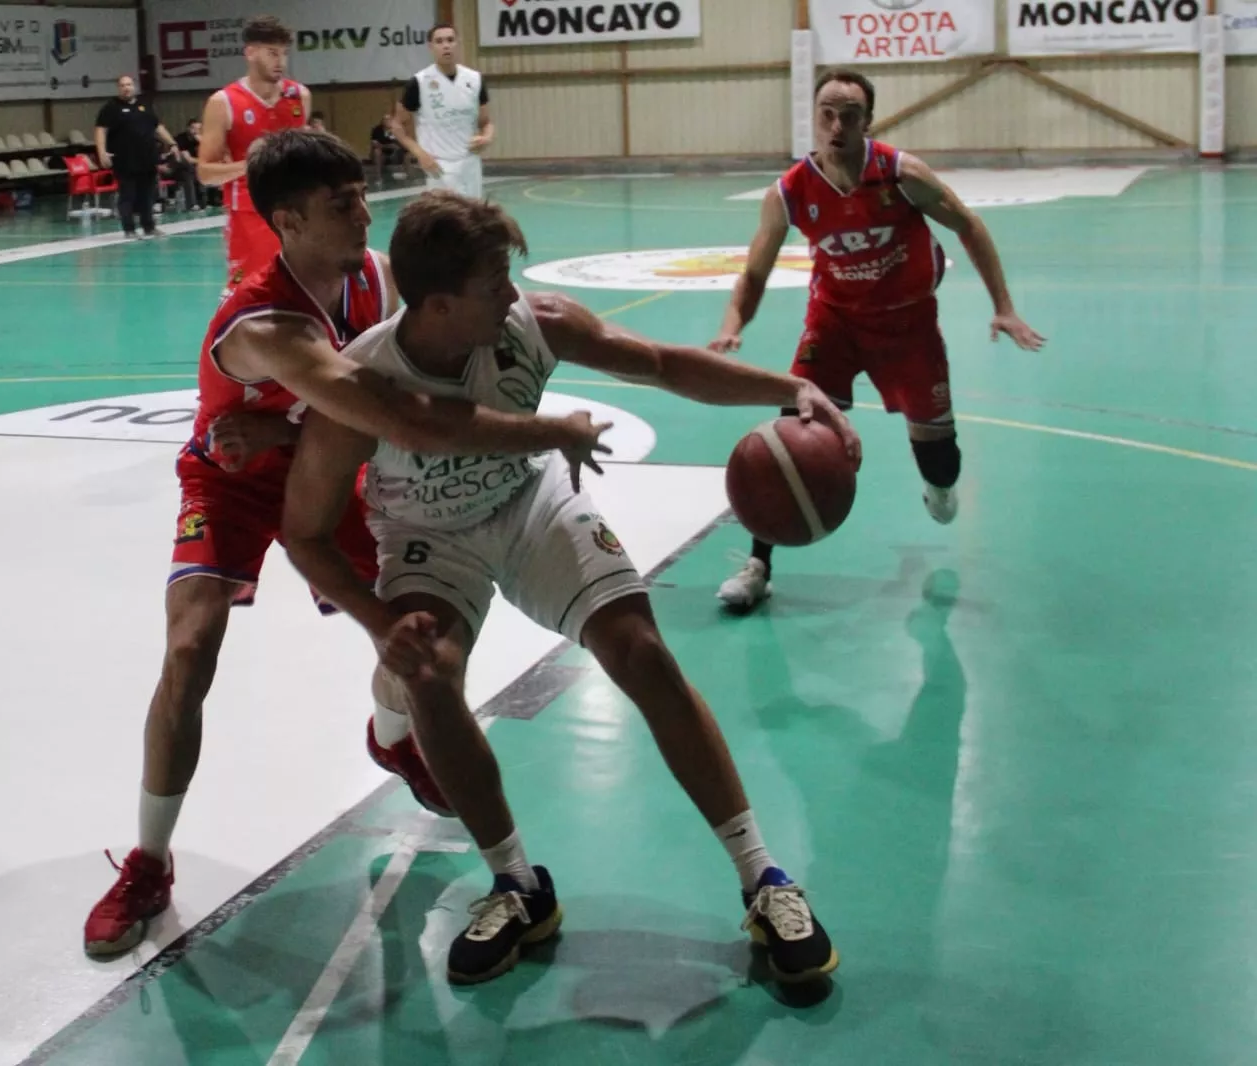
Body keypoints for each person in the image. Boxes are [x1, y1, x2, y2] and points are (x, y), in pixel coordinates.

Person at [280, 190, 859, 986]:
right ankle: (517, 885)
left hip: (527, 501)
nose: (511, 295)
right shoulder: (361, 387)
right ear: (440, 303)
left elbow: (660, 364)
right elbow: (303, 532)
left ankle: (762, 877)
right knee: (426, 671)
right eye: (493, 284)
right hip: (427, 536)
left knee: (641, 651)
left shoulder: (532, 323)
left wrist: (784, 389)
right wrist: (378, 620)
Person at [81, 130, 612, 960]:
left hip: (320, 467)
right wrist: (551, 429)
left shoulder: (374, 275)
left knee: (416, 635)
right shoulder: (264, 321)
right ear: (287, 221)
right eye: (341, 204)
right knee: (189, 649)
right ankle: (147, 862)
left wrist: (279, 421)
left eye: (362, 193)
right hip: (229, 482)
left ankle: (389, 733)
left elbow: (399, 376)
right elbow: (392, 413)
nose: (364, 211)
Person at [711, 69, 1045, 611]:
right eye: (826, 112)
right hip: (834, 323)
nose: (836, 123)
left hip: (908, 325)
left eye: (849, 114)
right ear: (814, 117)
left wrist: (1003, 307)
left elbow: (969, 225)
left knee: (941, 464)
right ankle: (758, 566)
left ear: (868, 121)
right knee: (787, 439)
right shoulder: (791, 192)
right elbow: (754, 273)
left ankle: (938, 486)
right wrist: (732, 325)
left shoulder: (900, 174)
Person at [197, 15, 309, 287]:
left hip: (297, 211)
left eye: (284, 53)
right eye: (272, 53)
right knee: (249, 297)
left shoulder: (299, 96)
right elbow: (205, 173)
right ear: (250, 52)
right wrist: (256, 163)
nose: (280, 61)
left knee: (302, 292)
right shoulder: (224, 102)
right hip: (249, 215)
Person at [392, 22, 492, 199]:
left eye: (450, 40)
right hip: (438, 166)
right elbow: (397, 125)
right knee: (445, 221)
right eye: (439, 41)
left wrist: (487, 137)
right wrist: (420, 154)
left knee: (474, 221)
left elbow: (486, 123)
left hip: (470, 164)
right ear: (431, 47)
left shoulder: (474, 79)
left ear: (457, 44)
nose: (446, 45)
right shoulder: (419, 82)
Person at [95, 74, 178, 240]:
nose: (126, 88)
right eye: (123, 85)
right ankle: (129, 229)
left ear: (134, 87)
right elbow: (100, 130)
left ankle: (149, 227)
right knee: (128, 195)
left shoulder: (144, 105)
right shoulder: (111, 107)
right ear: (118, 88)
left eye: (129, 85)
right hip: (124, 159)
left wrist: (173, 143)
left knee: (147, 194)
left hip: (147, 158)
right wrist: (101, 151)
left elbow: (158, 127)